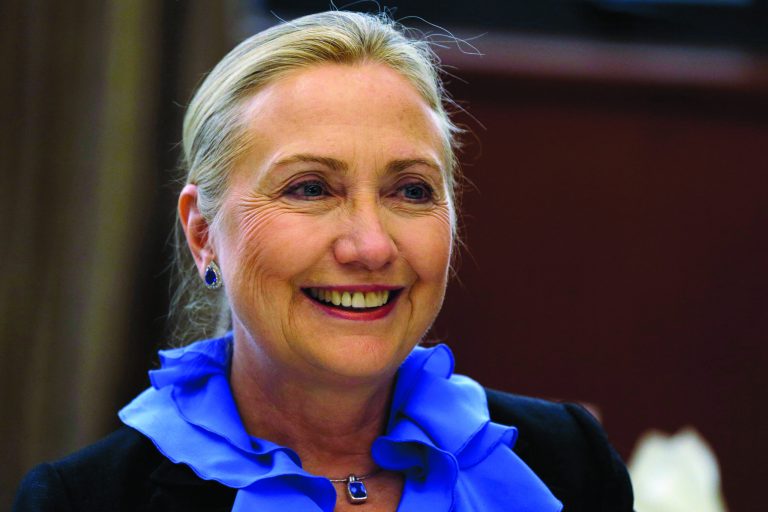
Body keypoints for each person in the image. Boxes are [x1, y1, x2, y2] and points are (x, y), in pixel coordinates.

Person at [13, 10, 633, 512]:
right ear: (203, 233)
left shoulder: (568, 465)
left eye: (410, 191)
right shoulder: (82, 500)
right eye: (309, 188)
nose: (369, 246)